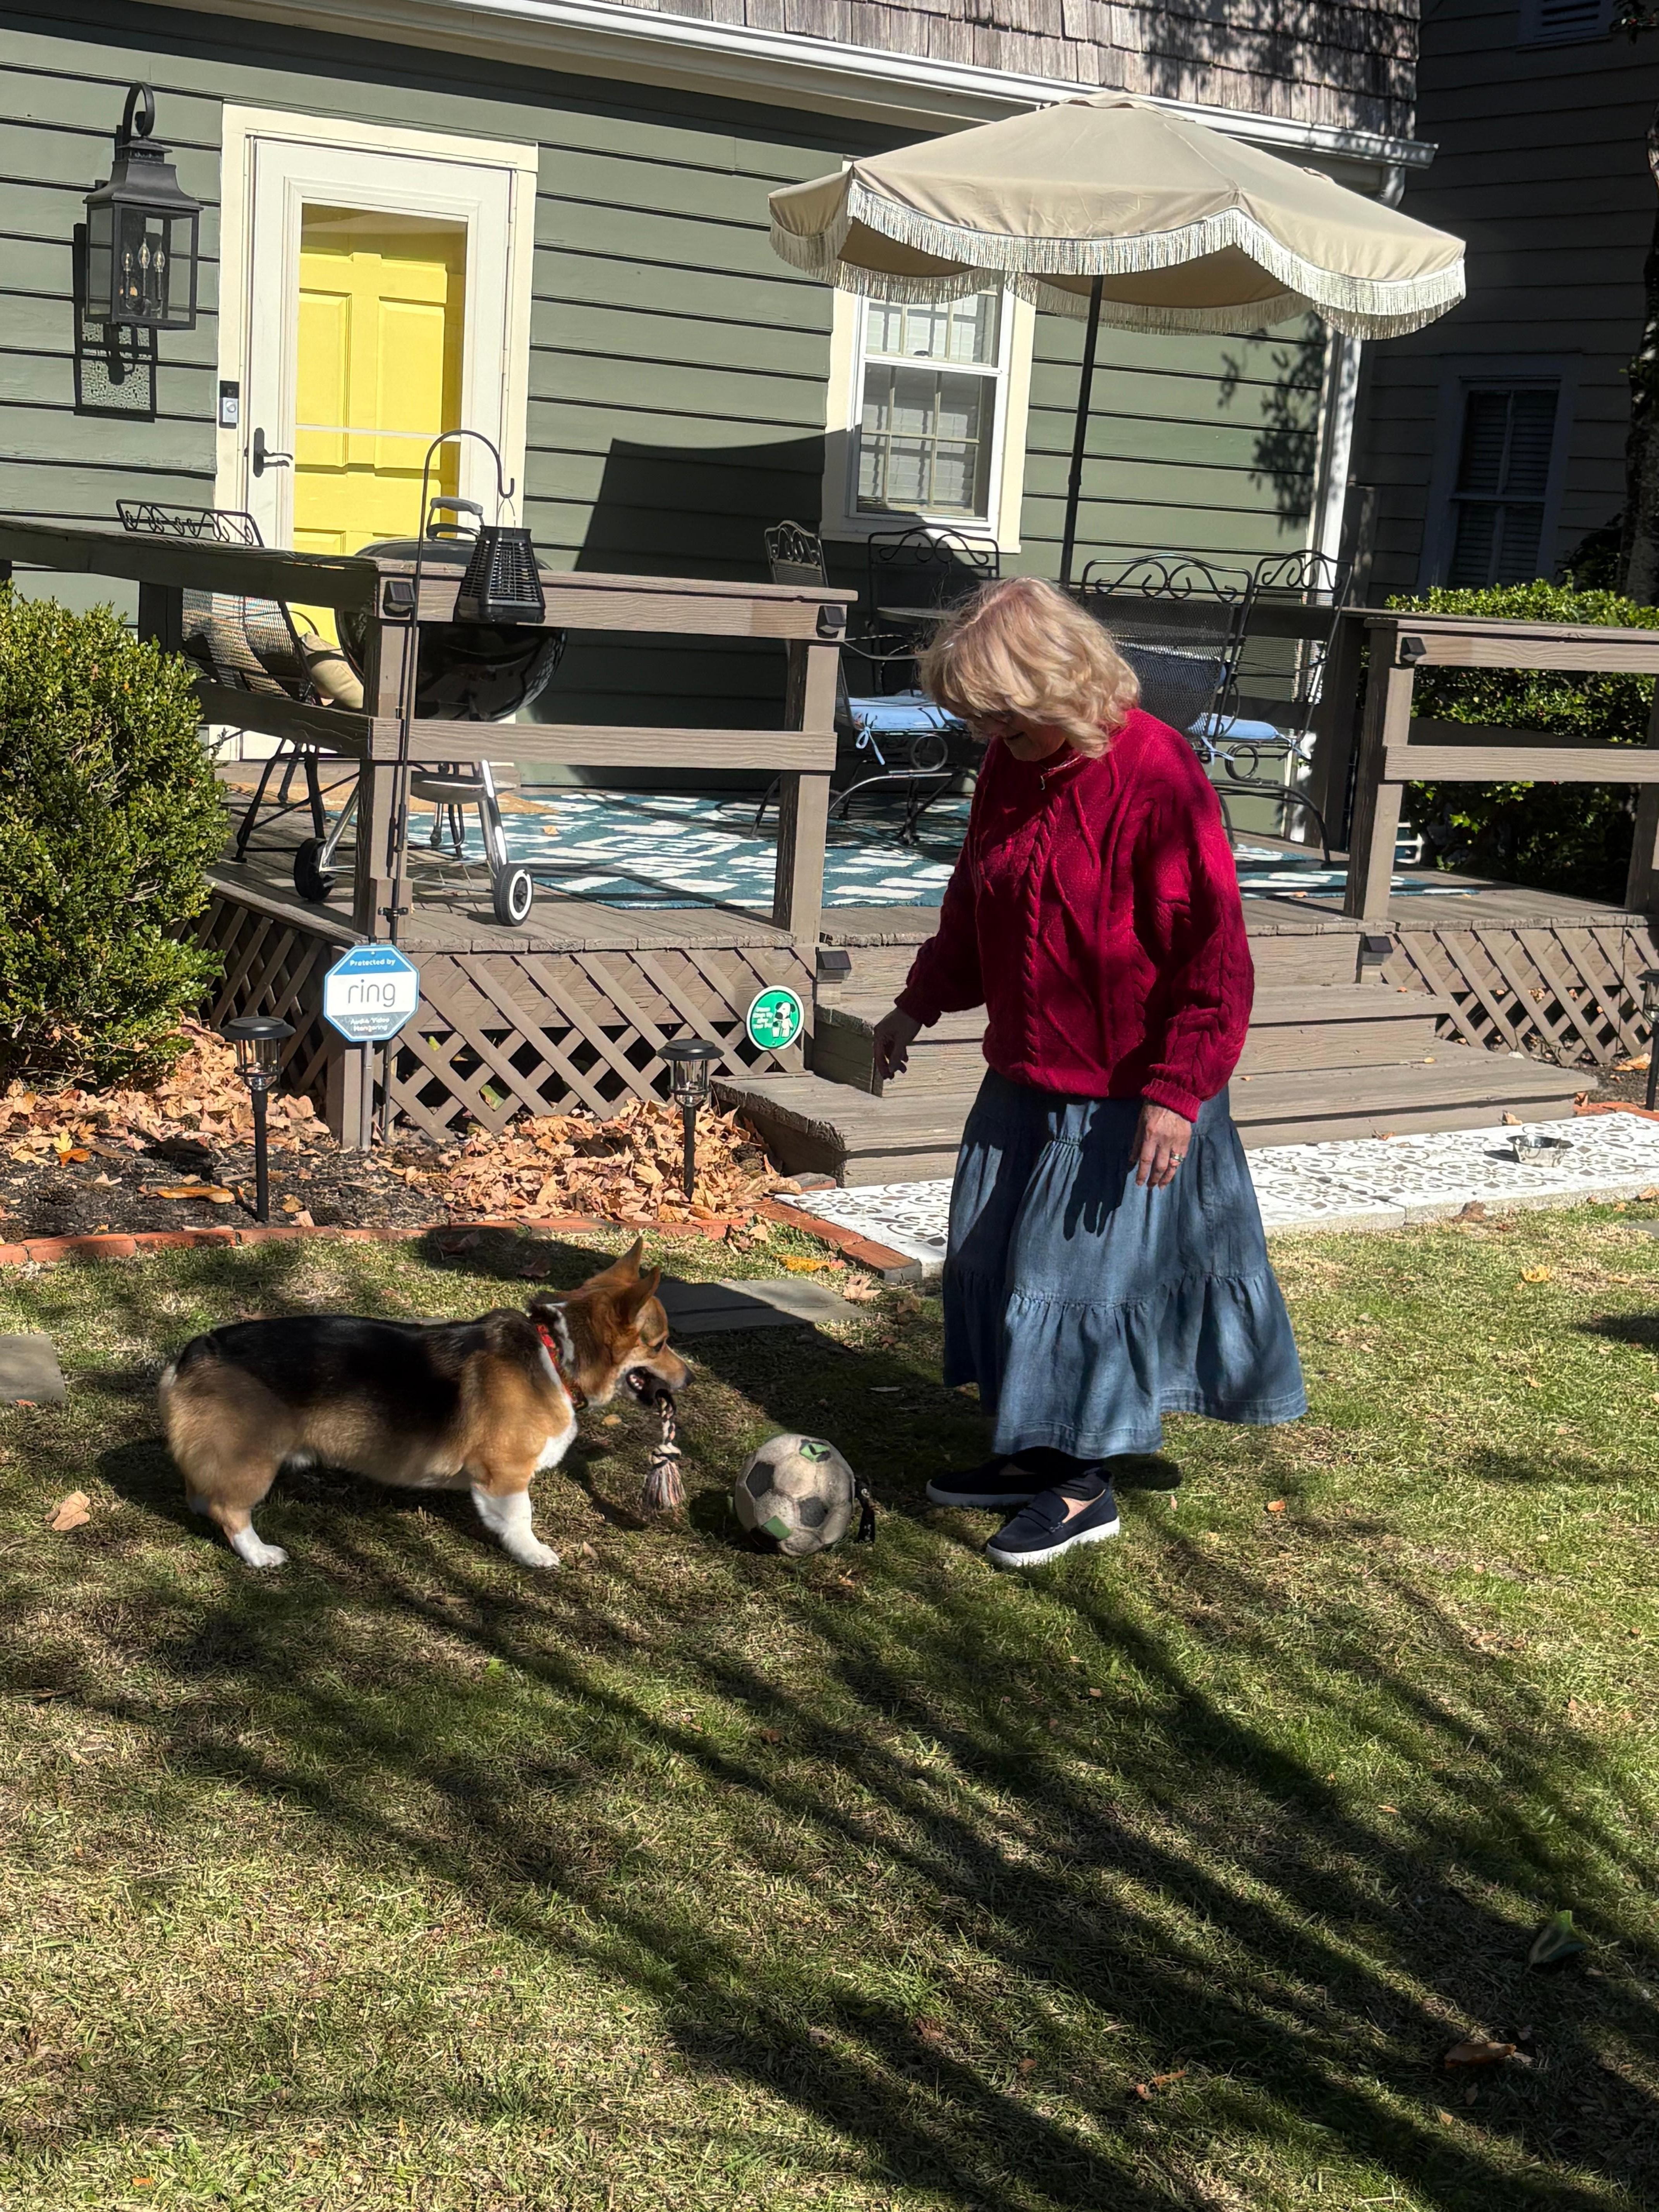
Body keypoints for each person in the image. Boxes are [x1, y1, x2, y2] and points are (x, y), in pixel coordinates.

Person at [872, 576, 1305, 1570]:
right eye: (979, 719)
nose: (991, 736)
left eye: (1004, 717)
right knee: (1000, 1262)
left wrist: (1177, 1092)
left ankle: (1083, 1486)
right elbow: (977, 902)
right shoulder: (1007, 767)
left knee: (1078, 1284)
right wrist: (915, 1005)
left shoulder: (1157, 772)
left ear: (1056, 688)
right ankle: (1035, 1452)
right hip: (1026, 1075)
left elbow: (1216, 954)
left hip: (1125, 1090)